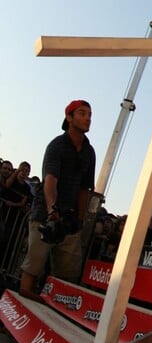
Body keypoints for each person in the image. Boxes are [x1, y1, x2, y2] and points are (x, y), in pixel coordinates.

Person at [20, 100, 96, 299]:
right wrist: (52, 211)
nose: (87, 118)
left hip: (69, 218)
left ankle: (54, 315)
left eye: (89, 114)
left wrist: (79, 219)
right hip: (45, 214)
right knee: (33, 266)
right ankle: (16, 318)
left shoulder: (89, 152)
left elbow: (84, 188)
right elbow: (50, 181)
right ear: (69, 117)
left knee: (67, 275)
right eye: (82, 113)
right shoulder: (57, 146)